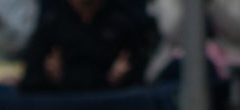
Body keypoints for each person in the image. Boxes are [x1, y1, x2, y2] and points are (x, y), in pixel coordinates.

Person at [18, 0, 154, 93]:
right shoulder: (51, 15)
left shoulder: (125, 15)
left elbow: (140, 77)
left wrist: (123, 79)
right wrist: (49, 78)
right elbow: (31, 83)